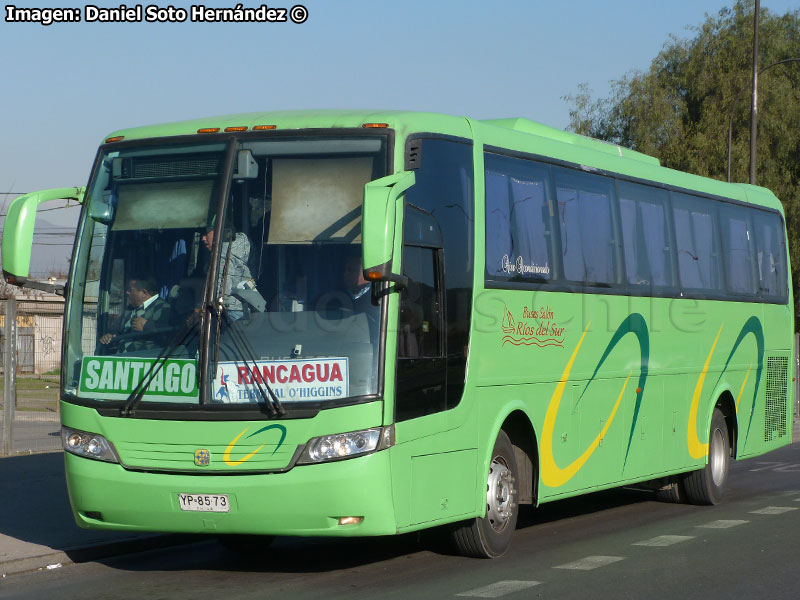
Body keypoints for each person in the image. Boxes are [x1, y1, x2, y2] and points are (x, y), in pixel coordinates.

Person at [201, 223, 257, 321]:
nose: (203, 238)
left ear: (219, 232)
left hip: (229, 312)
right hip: (242, 308)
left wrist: (209, 303)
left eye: (207, 234)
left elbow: (222, 287)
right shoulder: (240, 249)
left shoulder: (223, 254)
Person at [100, 276, 171, 352]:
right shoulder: (130, 309)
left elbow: (169, 336)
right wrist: (109, 337)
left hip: (147, 360)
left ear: (144, 293)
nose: (127, 293)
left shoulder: (164, 308)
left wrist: (147, 326)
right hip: (121, 359)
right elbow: (115, 331)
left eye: (131, 290)